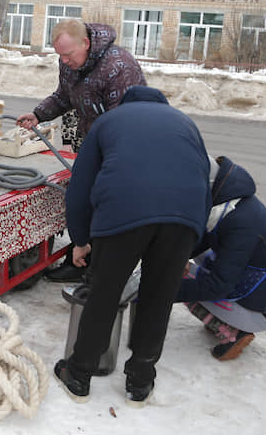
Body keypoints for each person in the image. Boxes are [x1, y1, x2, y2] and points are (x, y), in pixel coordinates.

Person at [54, 86, 211, 407]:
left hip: (123, 212)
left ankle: (79, 374)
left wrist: (81, 240)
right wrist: (188, 249)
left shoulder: (109, 121)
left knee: (105, 292)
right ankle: (140, 381)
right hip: (183, 218)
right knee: (158, 296)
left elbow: (80, 188)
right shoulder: (185, 123)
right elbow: (202, 184)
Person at [17, 18, 146, 283]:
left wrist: (110, 163)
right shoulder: (70, 64)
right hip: (94, 139)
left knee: (104, 203)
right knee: (82, 197)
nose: (64, 61)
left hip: (123, 147)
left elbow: (125, 121)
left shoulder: (119, 67)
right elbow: (64, 96)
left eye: (68, 54)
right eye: (59, 56)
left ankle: (98, 267)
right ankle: (82, 259)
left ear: (85, 43)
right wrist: (38, 114)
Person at [176, 155, 266, 361]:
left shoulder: (241, 224)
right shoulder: (233, 205)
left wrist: (159, 290)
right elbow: (201, 242)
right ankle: (227, 319)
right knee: (182, 266)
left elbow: (217, 287)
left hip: (261, 312)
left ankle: (231, 332)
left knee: (177, 280)